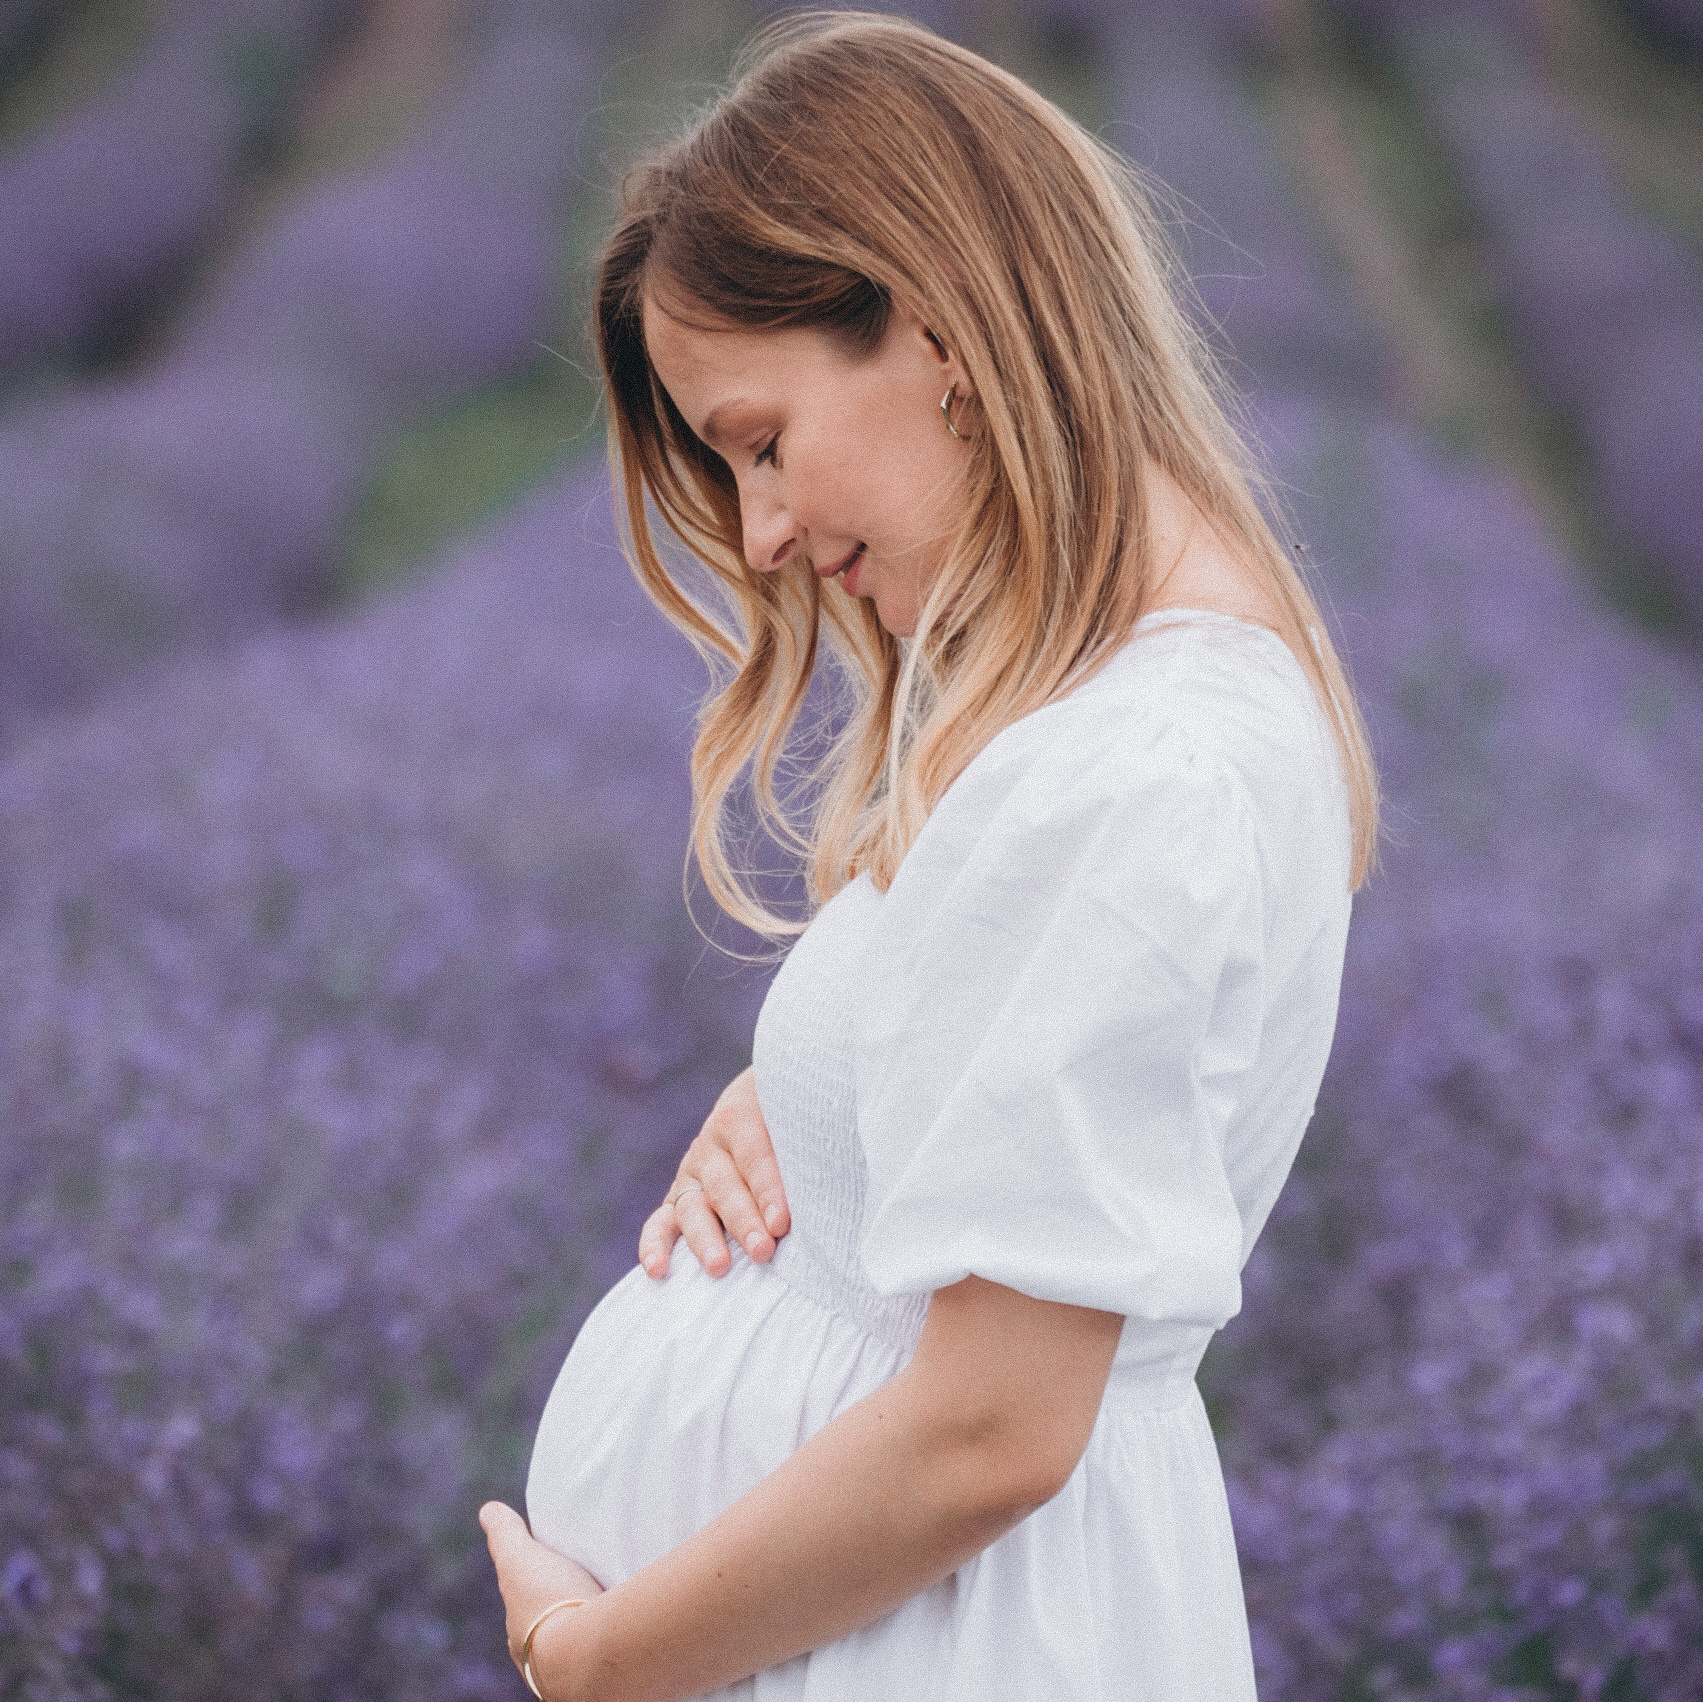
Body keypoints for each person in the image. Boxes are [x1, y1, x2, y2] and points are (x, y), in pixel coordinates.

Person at [479, 12, 1378, 1700]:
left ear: (938, 327)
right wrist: (831, 1100)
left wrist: (594, 1657)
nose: (761, 536)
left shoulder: (1132, 775)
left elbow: (986, 1432)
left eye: (759, 440)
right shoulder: (1097, 718)